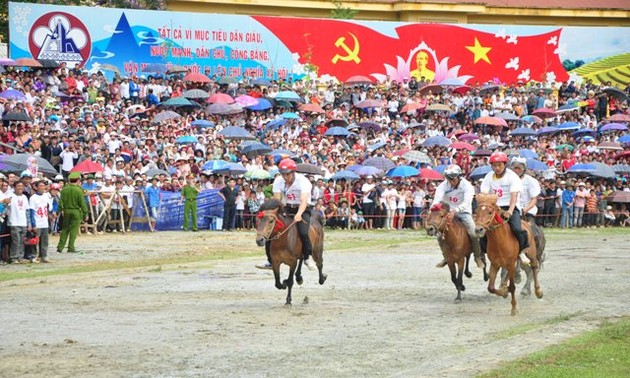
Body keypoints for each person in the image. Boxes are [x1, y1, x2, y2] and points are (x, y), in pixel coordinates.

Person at [256, 158, 317, 271]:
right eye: (283, 174)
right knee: (272, 230)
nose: (285, 177)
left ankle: (308, 257)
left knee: (303, 231)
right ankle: (270, 260)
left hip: (302, 208)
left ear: (293, 172)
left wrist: (299, 214)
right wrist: (272, 212)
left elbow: (304, 201)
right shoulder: (279, 180)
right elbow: (277, 199)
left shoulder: (303, 181)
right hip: (287, 207)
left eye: (287, 174)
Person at [431, 164, 484, 269]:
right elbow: (437, 200)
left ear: (459, 176)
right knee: (439, 236)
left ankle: (477, 257)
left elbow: (466, 202)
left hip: (464, 212)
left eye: (453, 178)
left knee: (473, 233)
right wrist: (434, 207)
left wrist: (456, 210)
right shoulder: (443, 186)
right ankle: (446, 257)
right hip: (448, 212)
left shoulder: (467, 186)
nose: (451, 180)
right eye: (448, 178)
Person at [479, 152, 529, 253]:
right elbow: (484, 193)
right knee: (482, 229)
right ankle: (484, 251)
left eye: (499, 165)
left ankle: (522, 250)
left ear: (505, 164)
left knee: (517, 229)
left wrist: (510, 211)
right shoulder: (489, 176)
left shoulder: (512, 176)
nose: (497, 168)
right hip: (494, 208)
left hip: (510, 207)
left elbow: (514, 196)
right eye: (494, 165)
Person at [57, 172, 88, 253]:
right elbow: (82, 203)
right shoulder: (79, 190)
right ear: (78, 180)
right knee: (73, 230)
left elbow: (61, 202)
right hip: (76, 212)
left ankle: (60, 247)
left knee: (65, 229)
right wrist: (86, 213)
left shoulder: (64, 190)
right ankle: (71, 247)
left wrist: (58, 211)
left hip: (66, 211)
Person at [510, 157, 541, 223]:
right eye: (515, 168)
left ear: (524, 169)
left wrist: (525, 209)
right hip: (512, 211)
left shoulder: (531, 181)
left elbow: (534, 199)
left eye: (519, 168)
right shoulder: (508, 180)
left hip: (527, 212)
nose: (517, 170)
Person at [28, 179, 52, 263]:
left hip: (44, 222)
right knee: (35, 241)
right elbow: (31, 211)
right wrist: (33, 224)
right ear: (36, 187)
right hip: (37, 222)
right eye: (40, 186)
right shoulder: (33, 198)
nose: (42, 187)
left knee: (44, 241)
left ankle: (43, 255)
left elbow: (49, 207)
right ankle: (33, 256)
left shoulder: (46, 196)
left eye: (43, 186)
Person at [7, 181, 29, 264]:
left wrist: (28, 223)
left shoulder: (24, 197)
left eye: (22, 186)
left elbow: (27, 211)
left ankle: (20, 256)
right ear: (14, 187)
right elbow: (6, 207)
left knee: (22, 241)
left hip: (23, 222)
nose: (20, 187)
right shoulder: (11, 196)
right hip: (14, 222)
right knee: (15, 241)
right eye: (18, 186)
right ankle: (14, 257)